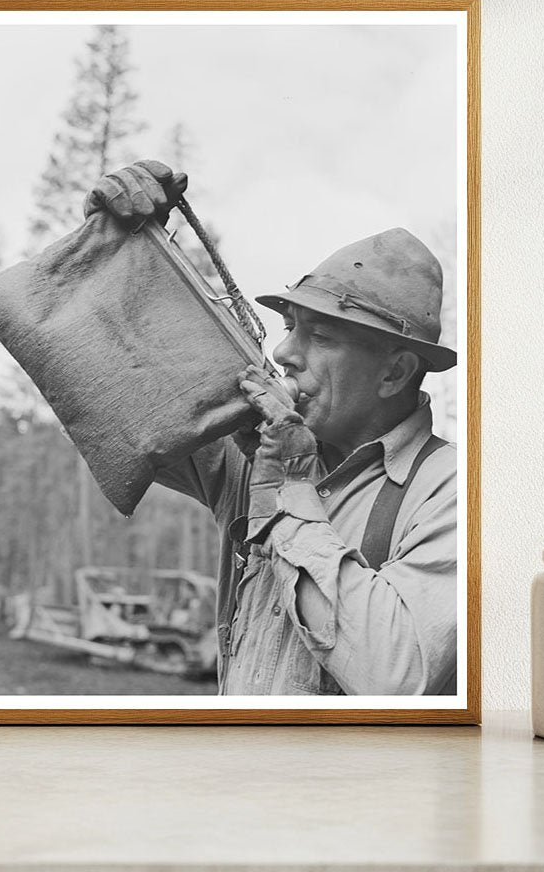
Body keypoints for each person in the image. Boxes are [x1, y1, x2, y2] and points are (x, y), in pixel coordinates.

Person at [84, 159, 458, 696]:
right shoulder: (253, 451)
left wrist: (288, 489)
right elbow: (120, 388)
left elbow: (395, 670)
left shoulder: (452, 492)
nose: (284, 353)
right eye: (289, 328)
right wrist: (118, 250)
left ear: (394, 372)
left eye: (322, 337)